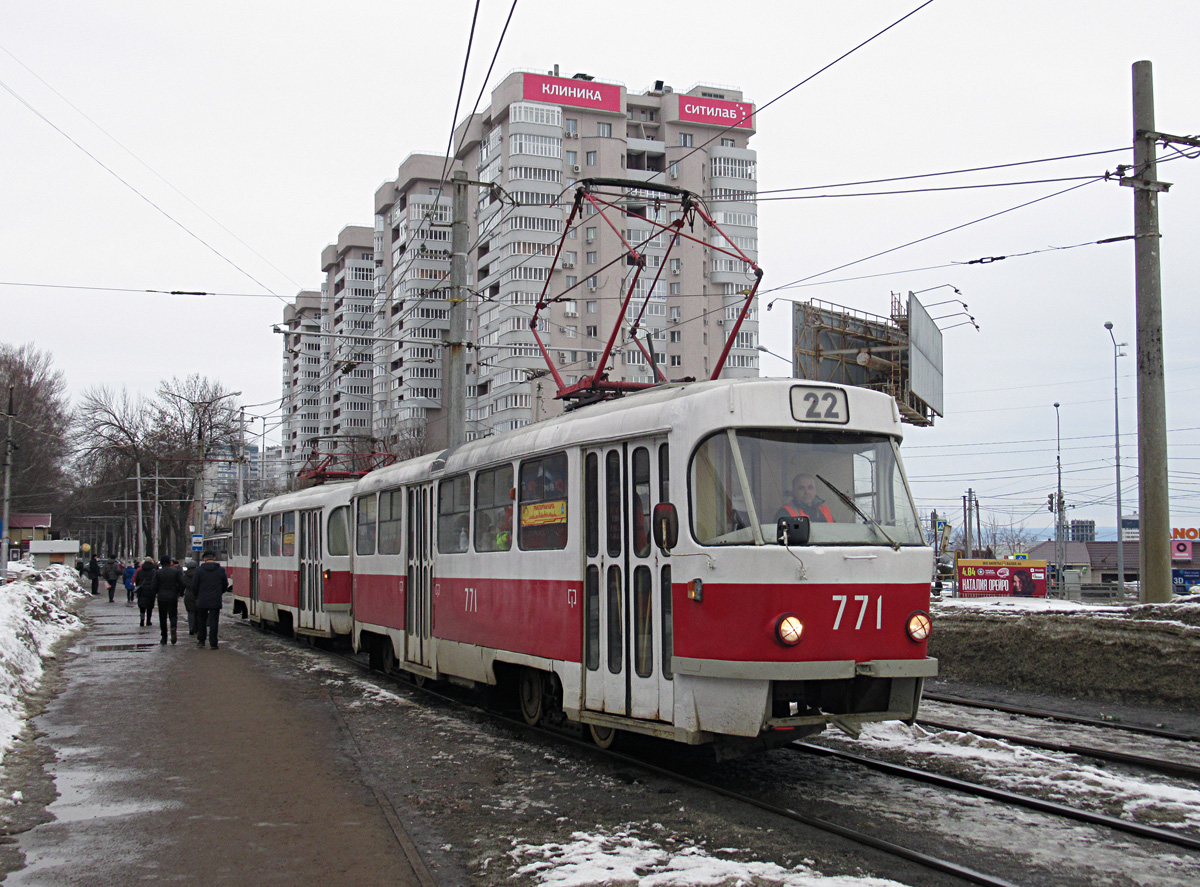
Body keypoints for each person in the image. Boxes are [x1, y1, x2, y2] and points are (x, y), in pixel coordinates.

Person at [193, 550, 229, 649]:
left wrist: (198, 596)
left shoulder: (199, 570)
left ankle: (201, 640)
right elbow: (225, 585)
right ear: (214, 558)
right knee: (214, 622)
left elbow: (194, 585)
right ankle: (213, 643)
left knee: (202, 621)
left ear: (204, 559)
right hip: (215, 599)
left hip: (202, 599)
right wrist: (219, 593)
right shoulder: (221, 570)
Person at [153, 557, 185, 644]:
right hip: (173, 596)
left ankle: (164, 637)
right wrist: (179, 593)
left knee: (162, 617)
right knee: (173, 615)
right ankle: (173, 628)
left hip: (162, 597)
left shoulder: (158, 572)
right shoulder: (175, 571)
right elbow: (182, 583)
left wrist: (157, 593)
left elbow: (154, 585)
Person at [133, 558, 157, 627]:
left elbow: (137, 581)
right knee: (150, 606)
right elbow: (155, 581)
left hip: (142, 590)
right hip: (151, 591)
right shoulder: (154, 571)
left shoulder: (140, 571)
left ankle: (142, 620)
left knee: (142, 606)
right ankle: (148, 621)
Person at [182, 557, 198, 635]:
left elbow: (182, 585)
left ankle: (191, 627)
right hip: (198, 595)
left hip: (188, 595)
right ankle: (197, 628)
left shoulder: (185, 576)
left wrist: (181, 594)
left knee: (191, 612)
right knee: (198, 612)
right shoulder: (199, 575)